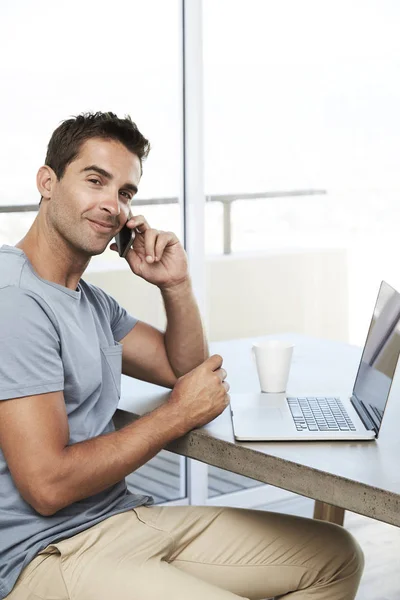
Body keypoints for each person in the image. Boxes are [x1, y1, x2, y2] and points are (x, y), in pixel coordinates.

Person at [0, 112, 364, 600]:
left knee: (333, 557)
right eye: (95, 181)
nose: (112, 205)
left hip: (120, 518)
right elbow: (47, 486)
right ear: (48, 182)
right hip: (45, 555)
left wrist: (176, 283)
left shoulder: (86, 298)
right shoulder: (16, 301)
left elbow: (186, 371)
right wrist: (175, 416)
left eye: (126, 192)